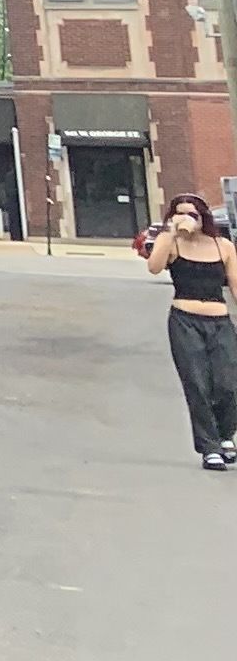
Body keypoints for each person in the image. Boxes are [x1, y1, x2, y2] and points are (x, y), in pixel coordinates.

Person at [144, 194, 237, 469]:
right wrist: (171, 232)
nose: (186, 218)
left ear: (203, 217)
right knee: (197, 384)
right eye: (180, 213)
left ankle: (224, 435)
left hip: (219, 322)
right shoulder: (172, 243)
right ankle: (210, 448)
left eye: (192, 214)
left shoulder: (224, 247)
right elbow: (154, 267)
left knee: (228, 384)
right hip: (185, 320)